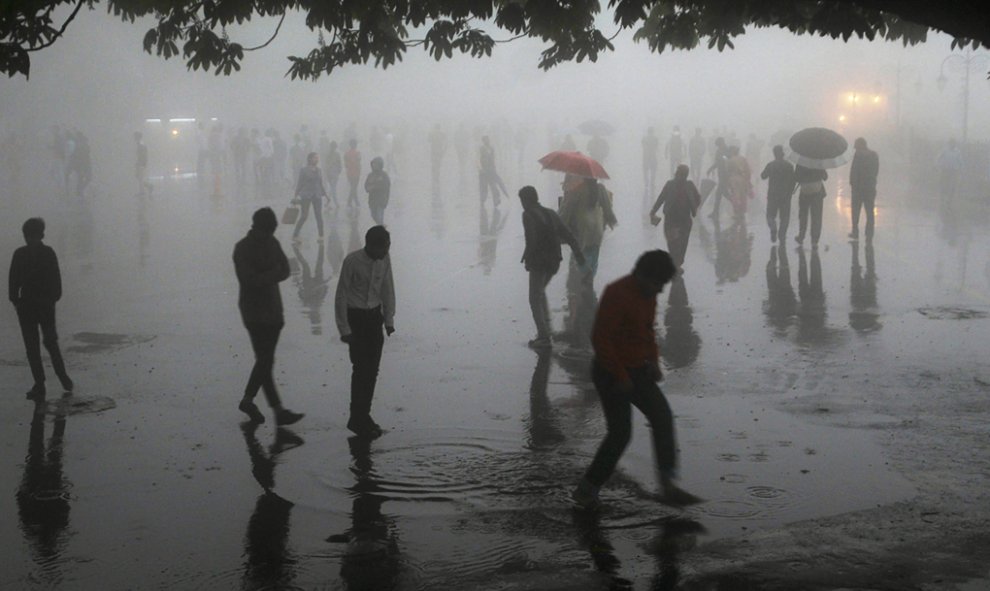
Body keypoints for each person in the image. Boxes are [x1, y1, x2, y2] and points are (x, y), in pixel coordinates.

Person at [572, 250, 703, 510]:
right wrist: (620, 376)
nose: (659, 290)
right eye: (657, 283)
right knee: (620, 434)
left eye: (662, 285)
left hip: (638, 370)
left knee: (662, 417)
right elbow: (601, 340)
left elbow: (647, 331)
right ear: (643, 275)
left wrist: (653, 361)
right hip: (610, 372)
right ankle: (586, 490)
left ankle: (667, 486)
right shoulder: (616, 293)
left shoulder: (648, 294)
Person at [233, 208, 304, 426]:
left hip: (268, 311)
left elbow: (284, 270)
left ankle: (266, 406)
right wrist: (271, 274)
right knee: (265, 360)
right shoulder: (244, 248)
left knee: (264, 361)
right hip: (258, 312)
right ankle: (265, 406)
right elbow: (251, 279)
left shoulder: (267, 243)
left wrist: (266, 275)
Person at [335, 226, 395, 439]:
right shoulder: (352, 262)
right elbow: (341, 294)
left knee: (372, 370)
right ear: (371, 245)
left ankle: (364, 414)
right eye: (385, 247)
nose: (387, 250)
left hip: (374, 318)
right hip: (356, 319)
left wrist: (389, 319)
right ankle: (356, 417)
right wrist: (344, 328)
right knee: (361, 369)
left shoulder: (384, 260)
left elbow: (388, 288)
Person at [9, 218, 73, 400]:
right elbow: (56, 281)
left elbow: (13, 282)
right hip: (40, 305)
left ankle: (45, 382)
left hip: (32, 305)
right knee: (45, 343)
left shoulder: (22, 254)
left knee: (39, 345)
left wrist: (16, 300)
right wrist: (52, 299)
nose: (28, 239)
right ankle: (56, 378)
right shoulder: (47, 253)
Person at [519, 185, 585, 349]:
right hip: (554, 260)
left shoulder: (527, 215)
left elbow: (531, 239)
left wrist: (527, 257)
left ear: (527, 200)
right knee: (540, 292)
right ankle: (546, 327)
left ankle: (543, 336)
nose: (521, 204)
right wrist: (578, 254)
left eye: (522, 200)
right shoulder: (550, 213)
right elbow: (567, 234)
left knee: (534, 297)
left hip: (539, 262)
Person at [649, 164, 701, 271]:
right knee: (673, 242)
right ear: (677, 174)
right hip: (671, 219)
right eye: (681, 174)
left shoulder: (689, 185)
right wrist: (653, 211)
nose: (681, 177)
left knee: (683, 242)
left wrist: (694, 207)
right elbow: (661, 198)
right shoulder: (670, 185)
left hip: (685, 219)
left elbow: (698, 198)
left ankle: (678, 262)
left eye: (684, 175)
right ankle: (675, 263)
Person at [760, 145, 796, 243]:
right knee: (785, 217)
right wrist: (791, 191)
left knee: (770, 215)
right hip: (785, 195)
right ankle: (782, 235)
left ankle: (773, 227)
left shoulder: (770, 165)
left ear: (774, 154)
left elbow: (763, 176)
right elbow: (793, 180)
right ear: (782, 153)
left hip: (772, 194)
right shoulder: (789, 166)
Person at [848, 137, 880, 241]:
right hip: (870, 188)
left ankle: (855, 232)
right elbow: (876, 171)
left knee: (855, 212)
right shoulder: (874, 155)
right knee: (870, 211)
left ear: (860, 146)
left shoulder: (858, 156)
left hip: (858, 189)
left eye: (857, 147)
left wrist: (852, 183)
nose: (856, 149)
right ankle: (869, 233)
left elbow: (854, 171)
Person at [292, 152, 327, 241]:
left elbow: (320, 183)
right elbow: (300, 183)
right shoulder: (304, 170)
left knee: (318, 215)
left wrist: (326, 195)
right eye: (315, 158)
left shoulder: (319, 170)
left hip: (317, 195)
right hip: (306, 195)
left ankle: (321, 236)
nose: (317, 160)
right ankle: (295, 235)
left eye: (317, 158)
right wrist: (295, 195)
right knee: (304, 216)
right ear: (310, 159)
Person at [794, 164, 828, 247]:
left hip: (804, 192)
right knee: (816, 216)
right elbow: (825, 177)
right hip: (817, 192)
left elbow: (796, 177)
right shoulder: (818, 162)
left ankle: (801, 236)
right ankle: (814, 240)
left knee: (803, 215)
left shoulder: (801, 162)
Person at [479, 136, 508, 206]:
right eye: (486, 140)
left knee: (493, 186)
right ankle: (483, 200)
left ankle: (496, 200)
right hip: (484, 171)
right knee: (484, 187)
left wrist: (494, 168)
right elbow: (478, 160)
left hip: (491, 170)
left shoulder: (491, 149)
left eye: (488, 140)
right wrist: (481, 169)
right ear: (483, 141)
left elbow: (493, 160)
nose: (487, 141)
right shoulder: (481, 149)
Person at [725, 145, 753, 218]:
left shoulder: (730, 160)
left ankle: (736, 212)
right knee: (743, 196)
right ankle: (743, 212)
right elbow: (748, 170)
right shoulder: (743, 159)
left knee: (735, 196)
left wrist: (728, 182)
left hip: (734, 179)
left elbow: (728, 171)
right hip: (743, 179)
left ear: (732, 152)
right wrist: (748, 180)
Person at [705, 137, 729, 218]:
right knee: (725, 193)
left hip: (724, 175)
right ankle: (737, 207)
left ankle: (715, 212)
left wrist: (711, 168)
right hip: (722, 174)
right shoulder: (721, 150)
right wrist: (711, 169)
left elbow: (725, 160)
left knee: (719, 194)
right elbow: (718, 162)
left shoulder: (725, 150)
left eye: (718, 145)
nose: (718, 146)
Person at [365, 156, 391, 226]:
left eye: (376, 164)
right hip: (372, 201)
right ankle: (382, 226)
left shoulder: (384, 175)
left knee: (380, 217)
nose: (374, 166)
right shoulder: (370, 175)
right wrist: (369, 188)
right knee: (373, 216)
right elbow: (366, 186)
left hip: (381, 200)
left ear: (380, 165)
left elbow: (386, 186)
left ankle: (381, 231)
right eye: (373, 164)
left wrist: (375, 187)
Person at [935, 139, 962, 206]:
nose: (952, 144)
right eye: (951, 143)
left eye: (953, 143)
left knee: (952, 185)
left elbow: (960, 161)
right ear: (949, 144)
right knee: (944, 183)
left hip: (953, 171)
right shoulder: (944, 150)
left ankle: (950, 198)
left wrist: (960, 169)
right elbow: (938, 157)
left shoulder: (957, 152)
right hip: (945, 170)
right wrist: (937, 165)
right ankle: (942, 197)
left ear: (955, 144)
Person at [324, 140, 342, 209]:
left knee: (332, 188)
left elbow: (339, 164)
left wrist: (339, 170)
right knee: (333, 189)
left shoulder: (333, 154)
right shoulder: (333, 154)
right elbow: (339, 164)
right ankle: (335, 203)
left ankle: (328, 202)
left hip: (334, 173)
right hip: (332, 174)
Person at [134, 131, 153, 196]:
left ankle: (145, 189)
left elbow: (142, 155)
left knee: (140, 177)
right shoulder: (140, 144)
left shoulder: (141, 144)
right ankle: (147, 187)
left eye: (135, 136)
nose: (134, 138)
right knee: (139, 177)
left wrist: (141, 163)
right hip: (141, 162)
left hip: (141, 163)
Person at [344, 139, 361, 208]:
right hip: (356, 173)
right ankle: (351, 201)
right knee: (354, 188)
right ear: (356, 145)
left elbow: (345, 165)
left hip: (349, 173)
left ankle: (355, 202)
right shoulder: (358, 153)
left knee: (353, 187)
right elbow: (359, 163)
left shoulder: (346, 153)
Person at [642, 127, 659, 192]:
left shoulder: (644, 138)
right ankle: (652, 182)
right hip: (653, 156)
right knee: (653, 170)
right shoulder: (655, 139)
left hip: (645, 156)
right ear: (653, 132)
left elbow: (643, 146)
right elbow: (656, 147)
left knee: (645, 170)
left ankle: (646, 182)